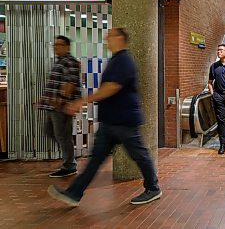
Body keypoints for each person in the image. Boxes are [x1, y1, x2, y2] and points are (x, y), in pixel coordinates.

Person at [48, 27, 161, 207]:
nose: (107, 37)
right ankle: (74, 193)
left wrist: (83, 101)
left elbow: (112, 87)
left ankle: (153, 187)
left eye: (110, 35)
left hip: (124, 121)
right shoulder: (116, 59)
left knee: (140, 155)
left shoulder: (124, 60)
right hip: (110, 121)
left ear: (120, 38)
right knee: (95, 160)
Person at [38, 35, 81, 178]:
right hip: (52, 106)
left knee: (63, 136)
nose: (56, 47)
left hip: (62, 107)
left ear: (67, 46)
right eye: (54, 45)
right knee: (50, 132)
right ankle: (68, 158)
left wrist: (61, 100)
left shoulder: (70, 62)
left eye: (59, 45)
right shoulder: (60, 62)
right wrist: (45, 100)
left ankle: (69, 165)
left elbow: (70, 83)